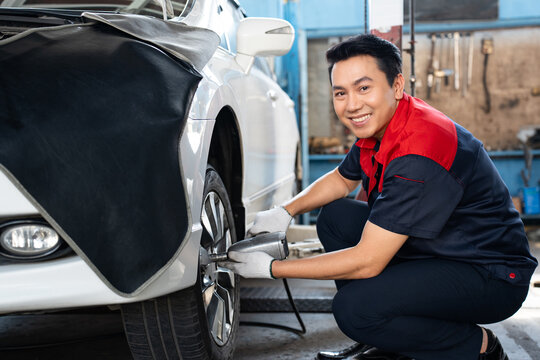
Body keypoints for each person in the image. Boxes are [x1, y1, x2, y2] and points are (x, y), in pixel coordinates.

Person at [221, 34, 538, 360]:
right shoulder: (386, 123)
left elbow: (367, 261)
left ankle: (478, 347)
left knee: (353, 309)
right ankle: (389, 342)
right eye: (340, 93)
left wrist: (273, 268)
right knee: (336, 218)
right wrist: (285, 211)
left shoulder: (418, 151)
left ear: (397, 85)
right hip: (441, 249)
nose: (352, 104)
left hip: (490, 274)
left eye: (363, 88)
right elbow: (342, 180)